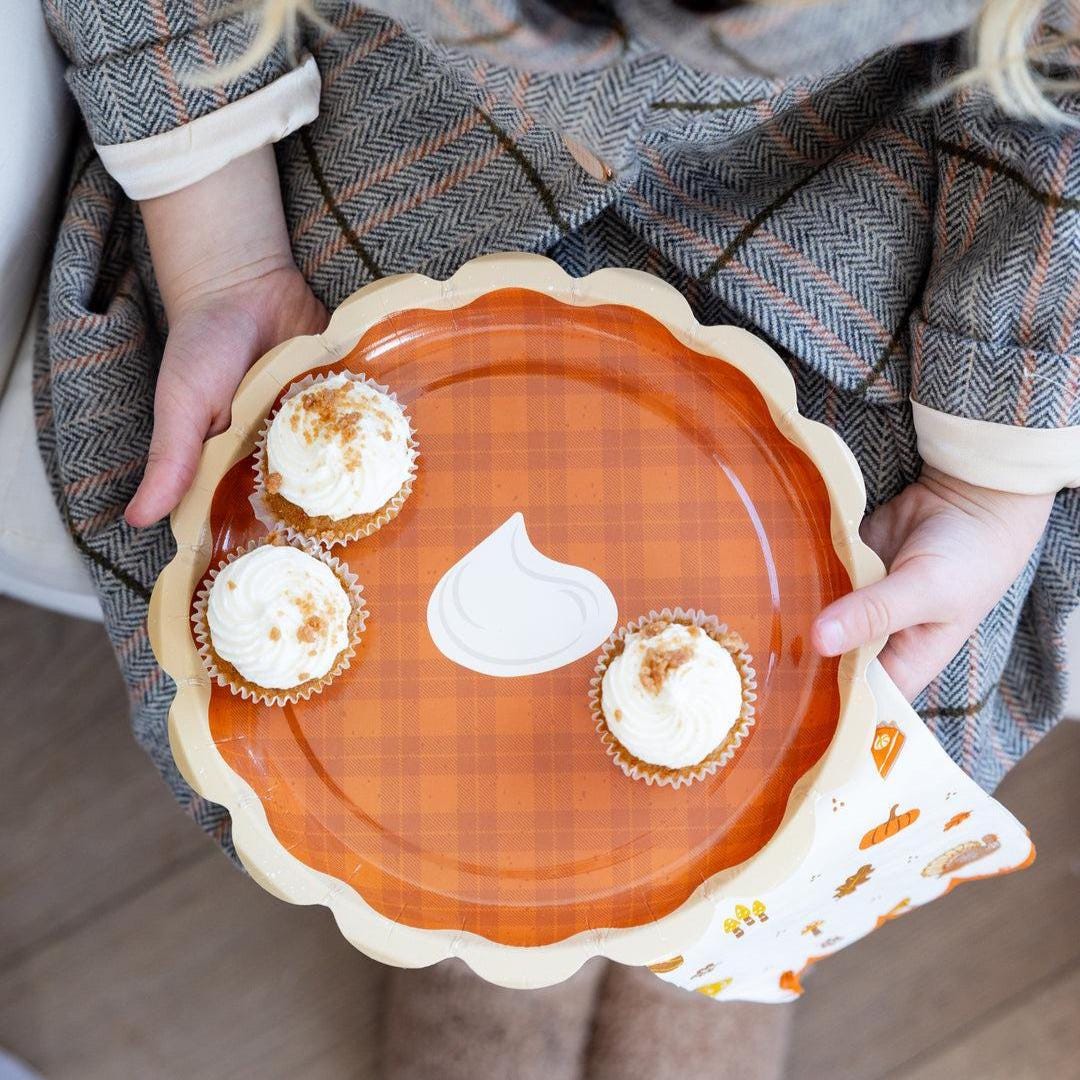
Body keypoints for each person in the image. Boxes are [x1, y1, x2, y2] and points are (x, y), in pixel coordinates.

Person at [35, 1, 1079, 1077]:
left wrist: (990, 477)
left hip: (872, 279)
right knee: (395, 755)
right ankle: (472, 947)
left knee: (812, 739)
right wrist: (223, 257)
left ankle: (713, 936)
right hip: (370, 208)